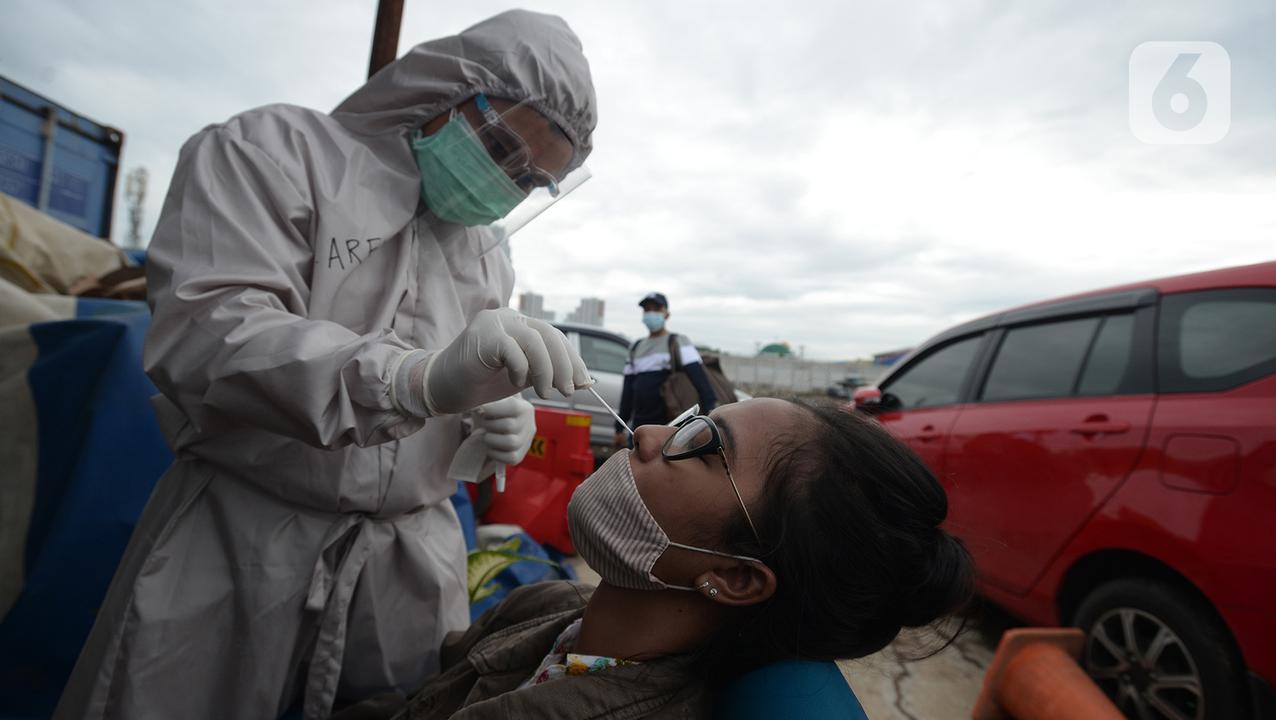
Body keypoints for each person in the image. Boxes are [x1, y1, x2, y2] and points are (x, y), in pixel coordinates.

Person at [55, 11, 597, 720]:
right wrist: (412, 380)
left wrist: (488, 421)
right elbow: (211, 336)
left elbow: (460, 381)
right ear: (442, 93)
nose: (504, 181)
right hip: (243, 544)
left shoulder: (484, 249)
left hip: (407, 564)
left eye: (530, 180)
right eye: (497, 145)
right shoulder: (271, 152)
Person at [335, 398, 976, 719]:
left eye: (699, 444)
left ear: (732, 575)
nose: (642, 433)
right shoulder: (548, 606)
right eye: (687, 420)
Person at [614, 292, 719, 446]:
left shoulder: (677, 342)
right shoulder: (635, 347)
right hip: (639, 426)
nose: (651, 313)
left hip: (671, 425)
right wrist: (618, 428)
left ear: (666, 314)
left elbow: (700, 380)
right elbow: (628, 391)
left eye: (656, 309)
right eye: (647, 309)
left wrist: (712, 412)